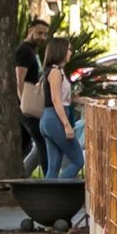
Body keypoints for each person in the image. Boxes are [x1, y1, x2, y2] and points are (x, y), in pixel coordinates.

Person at [38, 37, 84, 179]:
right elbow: (56, 100)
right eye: (68, 49)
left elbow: (63, 98)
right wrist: (66, 125)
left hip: (49, 119)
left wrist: (82, 100)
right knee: (78, 160)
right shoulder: (55, 72)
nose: (70, 52)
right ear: (61, 51)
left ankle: (49, 193)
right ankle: (61, 188)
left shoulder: (56, 71)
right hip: (55, 118)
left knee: (54, 166)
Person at [15, 19, 50, 175]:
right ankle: (50, 178)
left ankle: (21, 175)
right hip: (26, 106)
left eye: (45, 34)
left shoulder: (32, 51)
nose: (42, 37)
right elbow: (19, 80)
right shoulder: (24, 51)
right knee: (42, 141)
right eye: (39, 33)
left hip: (29, 104)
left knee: (25, 144)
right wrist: (23, 103)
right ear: (30, 30)